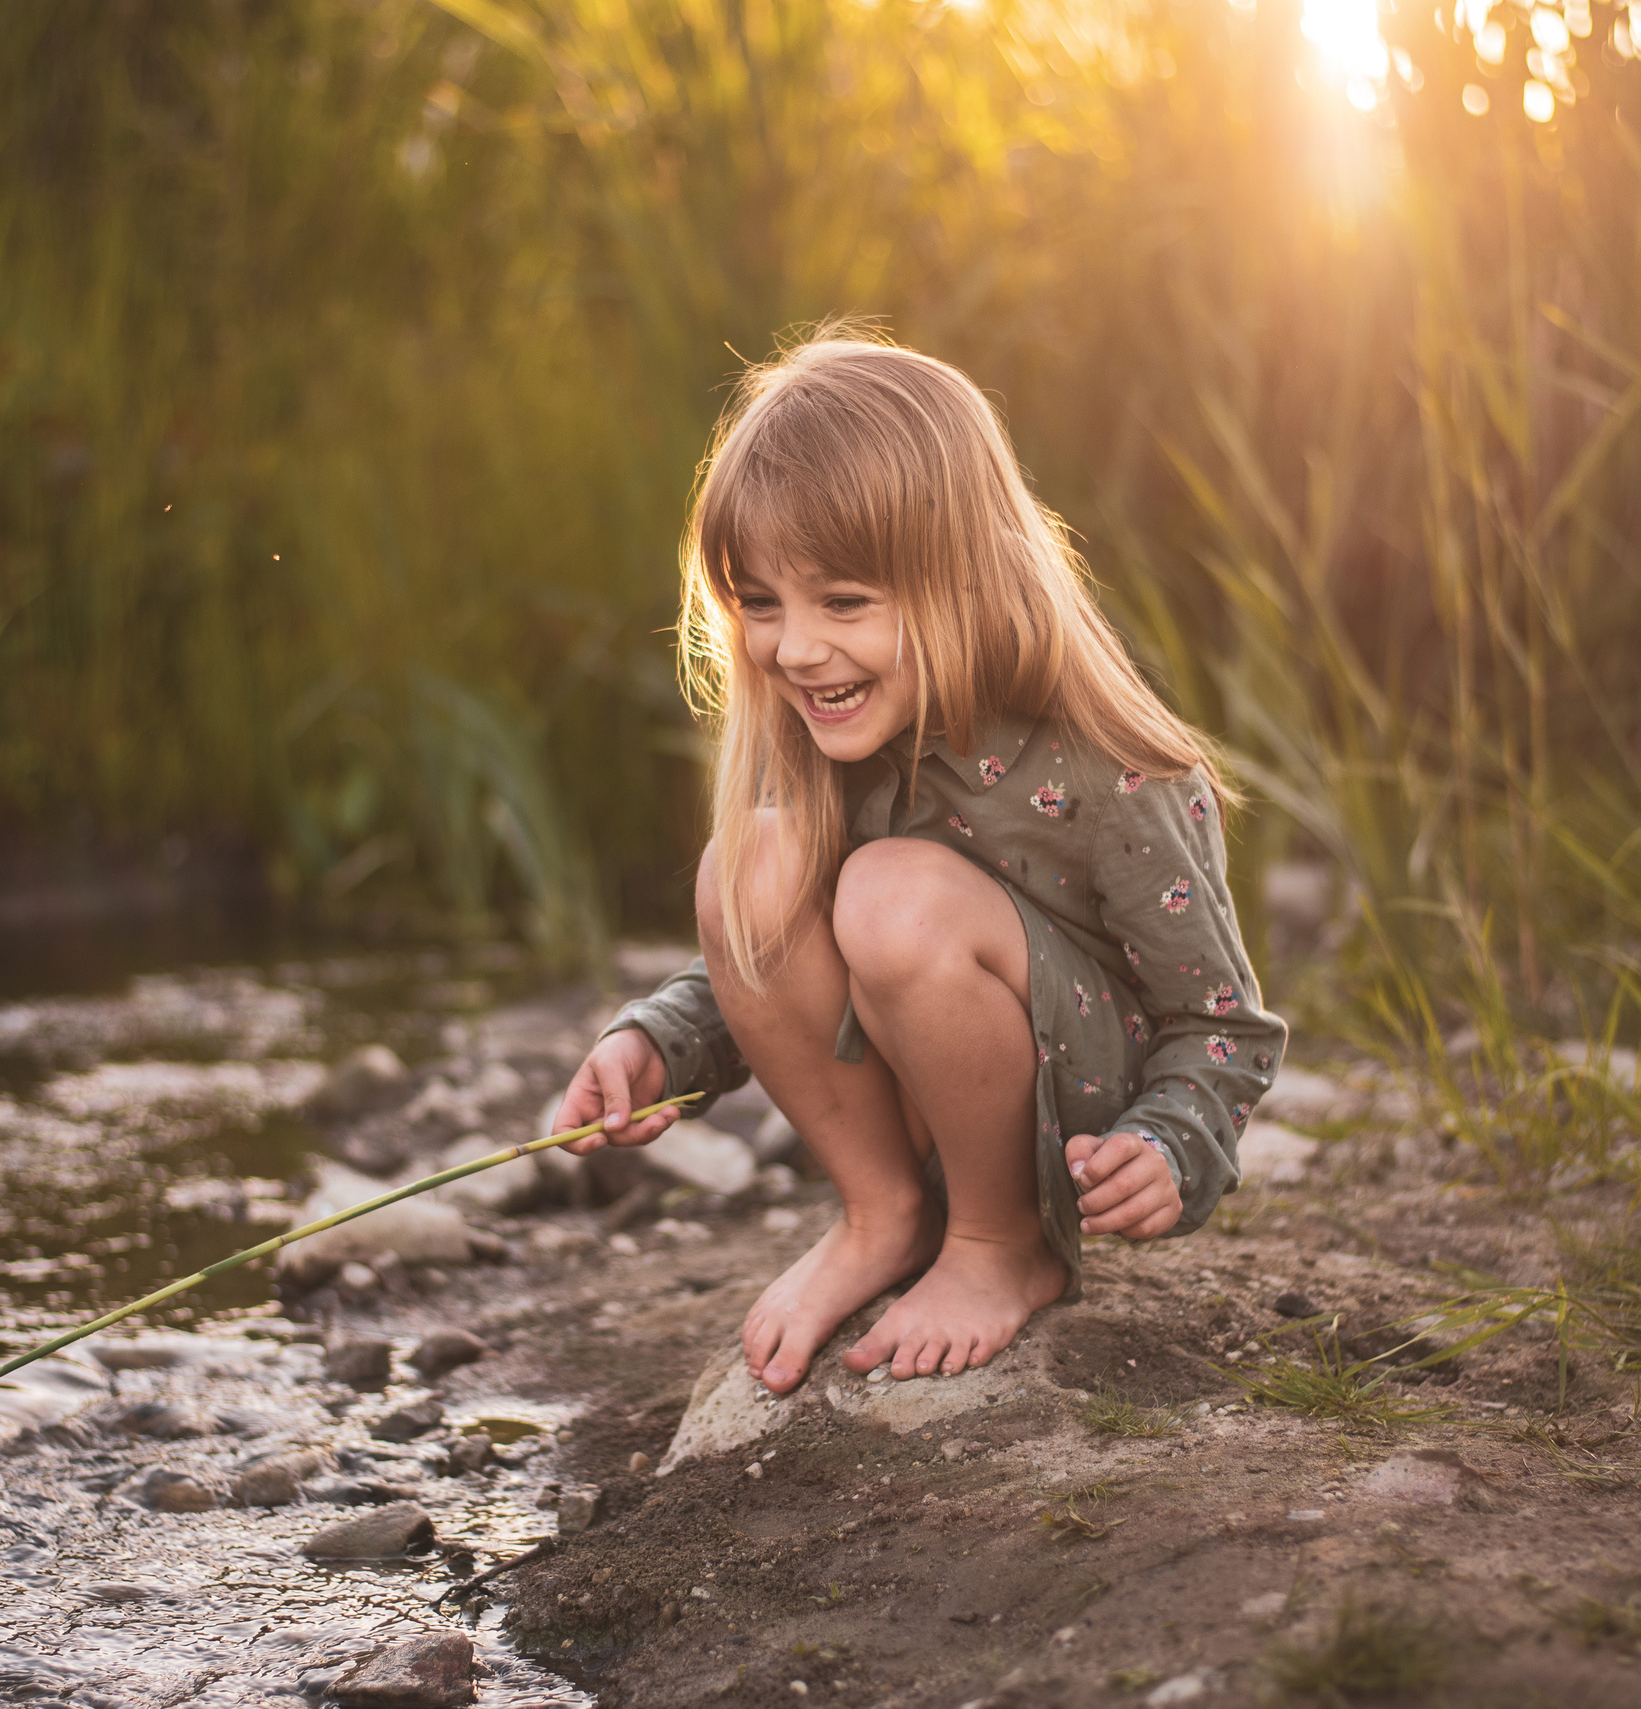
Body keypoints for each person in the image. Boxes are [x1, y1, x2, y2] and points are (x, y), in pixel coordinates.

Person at [550, 326, 1286, 1397]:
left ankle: (998, 1246)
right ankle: (883, 1214)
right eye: (762, 603)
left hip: (1062, 1136)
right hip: (918, 1105)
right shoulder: (832, 737)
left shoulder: (1112, 771)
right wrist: (659, 1043)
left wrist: (1170, 1147)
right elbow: (782, 959)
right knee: (746, 862)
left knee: (891, 896)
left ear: (966, 577)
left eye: (842, 601)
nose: (795, 649)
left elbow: (1220, 1027)